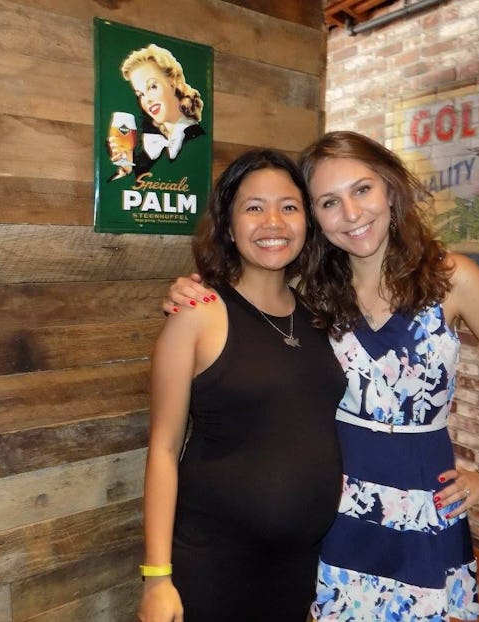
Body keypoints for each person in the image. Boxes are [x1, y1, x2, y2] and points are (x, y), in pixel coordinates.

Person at [164, 131, 479, 621]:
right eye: (328, 201)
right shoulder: (310, 291)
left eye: (362, 190)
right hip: (335, 506)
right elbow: (244, 300)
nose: (351, 213)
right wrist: (190, 292)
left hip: (422, 504)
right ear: (315, 218)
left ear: (390, 189)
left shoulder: (453, 280)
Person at [138, 149, 346, 622]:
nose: (273, 221)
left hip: (299, 566)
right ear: (229, 226)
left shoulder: (317, 314)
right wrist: (157, 577)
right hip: (214, 564)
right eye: (254, 207)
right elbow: (163, 449)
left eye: (289, 207)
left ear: (308, 224)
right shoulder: (199, 313)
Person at [108, 43, 206, 180]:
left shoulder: (197, 140)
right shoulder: (148, 148)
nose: (146, 100)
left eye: (152, 86)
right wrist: (127, 168)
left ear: (172, 83)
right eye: (140, 94)